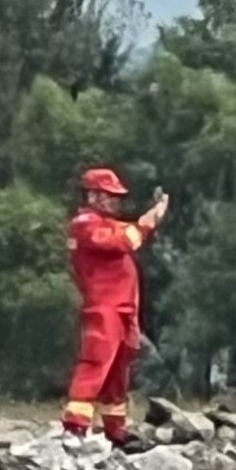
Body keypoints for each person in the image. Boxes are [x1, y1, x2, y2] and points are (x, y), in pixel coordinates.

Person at [63, 167, 165, 442]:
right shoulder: (85, 224)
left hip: (123, 310)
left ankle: (114, 430)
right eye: (109, 196)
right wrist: (146, 222)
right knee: (96, 363)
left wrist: (151, 216)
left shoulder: (105, 223)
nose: (115, 201)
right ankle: (75, 426)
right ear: (93, 196)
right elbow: (123, 240)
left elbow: (128, 231)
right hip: (104, 307)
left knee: (118, 370)